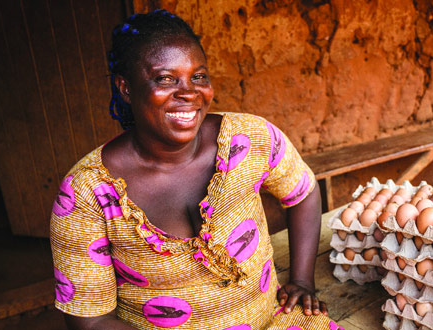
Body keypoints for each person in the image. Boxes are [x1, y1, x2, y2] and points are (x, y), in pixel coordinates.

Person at [50, 9, 343, 330]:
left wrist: (302, 279)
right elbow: (90, 321)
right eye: (165, 78)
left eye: (198, 76)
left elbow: (303, 192)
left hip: (274, 322)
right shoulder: (87, 192)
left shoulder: (250, 139)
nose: (188, 92)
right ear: (126, 88)